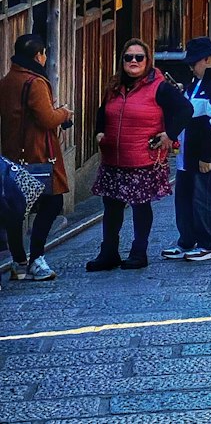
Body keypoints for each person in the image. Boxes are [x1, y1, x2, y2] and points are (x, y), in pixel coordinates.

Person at [86, 39, 192, 271]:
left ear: (147, 61)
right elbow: (102, 112)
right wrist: (99, 133)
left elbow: (185, 110)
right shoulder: (115, 87)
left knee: (140, 205)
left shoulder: (160, 87)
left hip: (143, 157)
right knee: (111, 206)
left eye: (139, 57)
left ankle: (139, 251)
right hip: (113, 157)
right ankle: (109, 252)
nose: (133, 61)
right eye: (128, 57)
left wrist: (169, 135)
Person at [0, 33, 73, 281]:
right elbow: (47, 119)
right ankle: (36, 259)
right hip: (38, 156)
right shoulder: (35, 82)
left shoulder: (7, 80)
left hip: (12, 157)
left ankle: (19, 262)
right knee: (52, 204)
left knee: (15, 210)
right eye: (43, 54)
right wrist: (63, 113)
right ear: (38, 55)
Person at [161, 36, 211, 263]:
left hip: (206, 155)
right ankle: (186, 241)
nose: (191, 68)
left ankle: (208, 243)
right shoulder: (197, 83)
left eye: (193, 63)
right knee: (184, 197)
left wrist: (208, 155)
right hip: (187, 151)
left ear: (206, 59)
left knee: (205, 197)